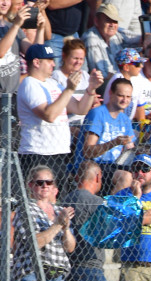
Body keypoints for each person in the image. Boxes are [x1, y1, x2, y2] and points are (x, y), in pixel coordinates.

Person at [18, 43, 100, 179]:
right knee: (38, 198)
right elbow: (49, 115)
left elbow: (80, 109)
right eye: (49, 60)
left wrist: (90, 89)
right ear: (37, 62)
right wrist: (68, 89)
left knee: (57, 198)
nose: (53, 64)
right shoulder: (30, 84)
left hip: (59, 152)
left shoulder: (53, 83)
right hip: (38, 153)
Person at [11, 165, 76, 281]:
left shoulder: (60, 211)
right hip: (32, 273)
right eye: (40, 182)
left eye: (49, 182)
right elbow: (34, 243)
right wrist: (58, 225)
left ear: (53, 186)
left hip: (57, 273)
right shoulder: (26, 210)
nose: (45, 186)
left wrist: (66, 228)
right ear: (31, 185)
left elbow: (70, 248)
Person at [64, 161, 108, 281]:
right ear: (98, 177)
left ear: (77, 177)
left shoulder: (66, 199)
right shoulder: (96, 201)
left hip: (70, 265)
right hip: (90, 267)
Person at [83, 3, 132, 80]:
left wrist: (148, 37)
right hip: (103, 86)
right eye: (108, 20)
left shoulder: (115, 33)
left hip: (117, 80)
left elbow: (139, 38)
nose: (112, 24)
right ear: (96, 21)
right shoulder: (91, 38)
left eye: (115, 21)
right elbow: (101, 75)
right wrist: (125, 77)